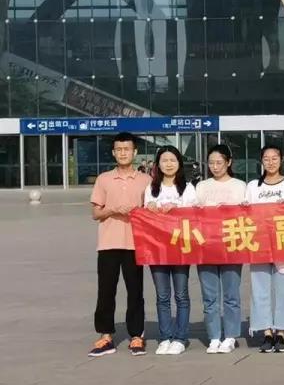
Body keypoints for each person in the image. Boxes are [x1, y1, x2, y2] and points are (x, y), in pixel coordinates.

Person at [89, 132, 152, 356]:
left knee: (135, 291)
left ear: (135, 152)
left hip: (135, 244)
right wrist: (113, 209)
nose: (123, 153)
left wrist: (139, 212)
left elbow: (152, 212)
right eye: (119, 149)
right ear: (113, 153)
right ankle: (105, 335)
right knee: (106, 290)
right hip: (108, 243)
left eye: (127, 149)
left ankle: (136, 336)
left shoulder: (146, 180)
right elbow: (95, 213)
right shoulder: (104, 179)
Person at [247, 143, 284, 353]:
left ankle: (281, 332)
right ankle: (266, 331)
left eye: (274, 158)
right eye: (266, 159)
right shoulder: (253, 186)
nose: (270, 162)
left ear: (282, 160)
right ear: (261, 161)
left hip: (283, 242)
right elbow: (245, 213)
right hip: (259, 243)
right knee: (259, 288)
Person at [144, 145, 198, 355]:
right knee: (162, 296)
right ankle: (165, 337)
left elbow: (194, 215)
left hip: (180, 249)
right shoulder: (151, 189)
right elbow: (145, 217)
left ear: (179, 163)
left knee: (181, 295)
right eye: (164, 160)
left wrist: (176, 210)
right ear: (157, 164)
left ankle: (180, 338)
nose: (168, 164)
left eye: (172, 160)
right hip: (157, 249)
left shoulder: (187, 188)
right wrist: (149, 209)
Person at [195, 144, 247, 354]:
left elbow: (247, 214)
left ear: (229, 162)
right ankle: (214, 336)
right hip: (206, 246)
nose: (215, 167)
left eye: (219, 162)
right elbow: (191, 214)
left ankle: (231, 336)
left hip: (231, 245)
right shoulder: (201, 186)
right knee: (209, 296)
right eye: (211, 163)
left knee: (231, 295)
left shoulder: (240, 186)